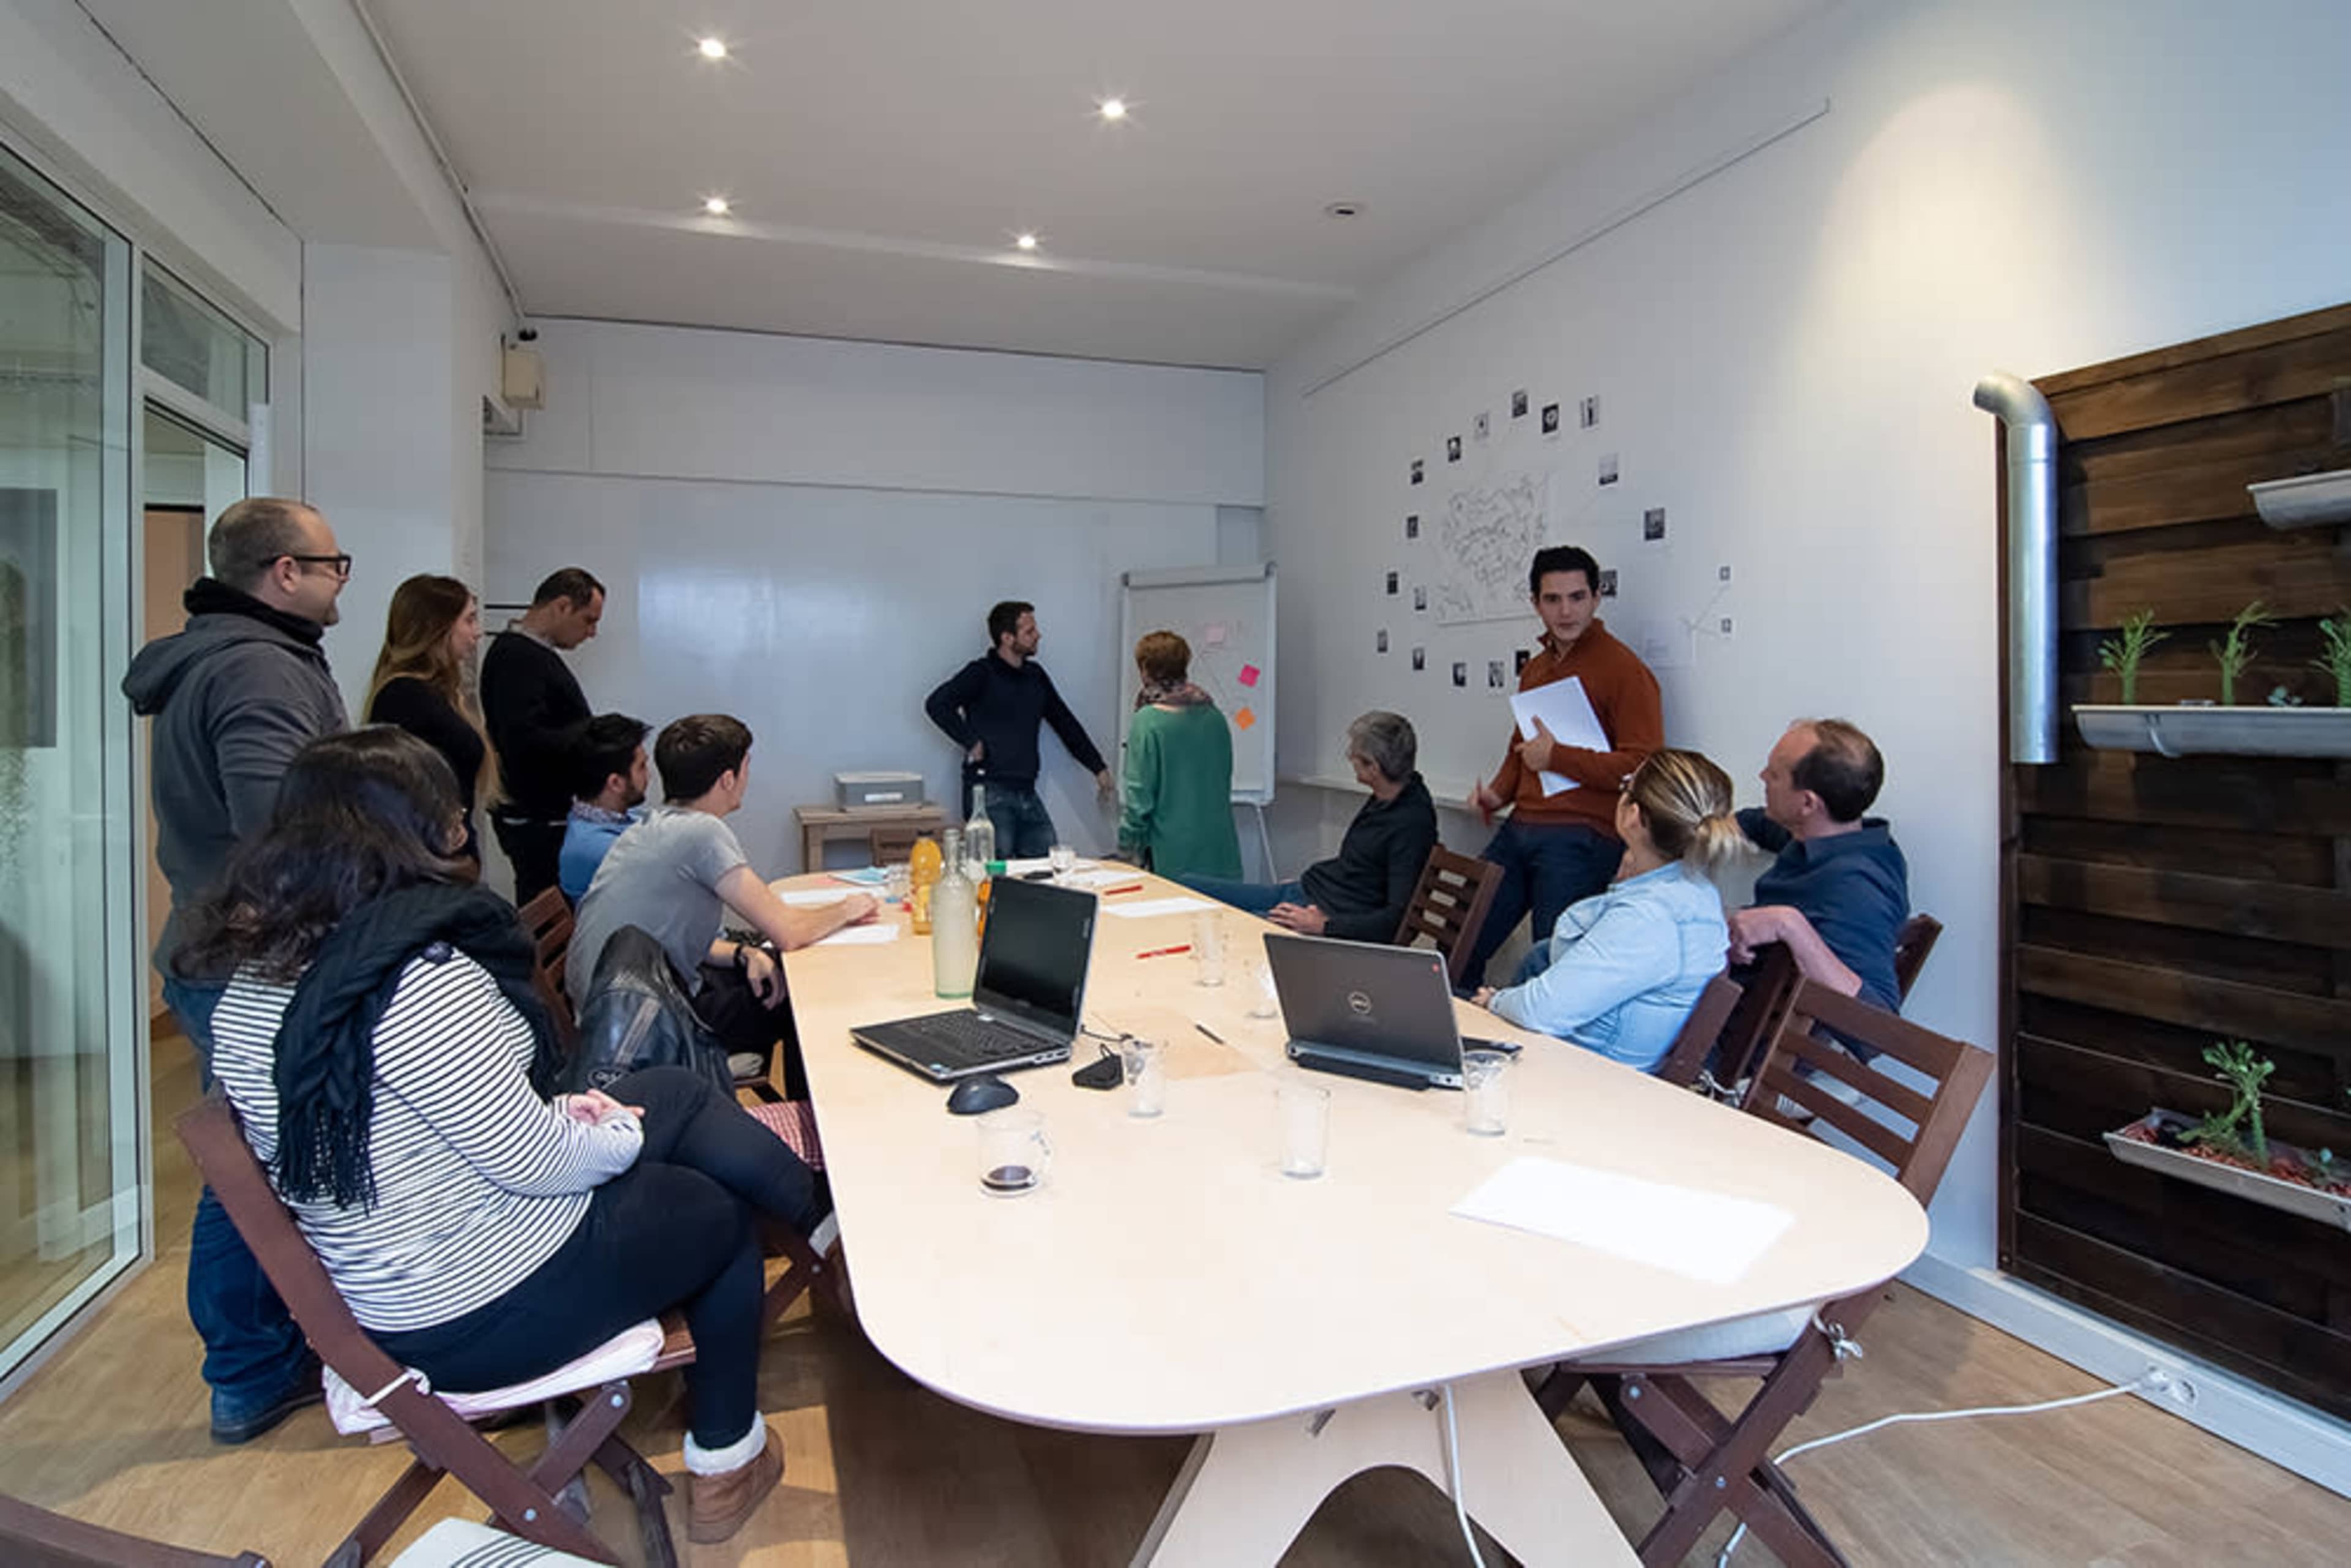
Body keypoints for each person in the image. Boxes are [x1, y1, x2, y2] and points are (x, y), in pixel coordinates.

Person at [182, 729, 816, 1542]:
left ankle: (807, 1224)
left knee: (669, 1094)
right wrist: (612, 1131)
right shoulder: (415, 982)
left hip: (392, 1301)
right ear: (418, 834)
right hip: (487, 1302)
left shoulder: (251, 990)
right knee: (710, 1206)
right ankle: (729, 1455)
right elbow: (539, 1162)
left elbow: (431, 1135)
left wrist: (591, 1117)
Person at [121, 495, 349, 1445]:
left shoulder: (222, 656)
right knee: (249, 1164)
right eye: (334, 561)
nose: (342, 577)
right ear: (284, 573)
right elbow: (283, 828)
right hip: (258, 958)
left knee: (252, 1156)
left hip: (223, 947)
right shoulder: (258, 668)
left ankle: (266, 1351)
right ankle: (251, 1371)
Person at [568, 715, 879, 1090]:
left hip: (615, 1011)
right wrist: (850, 908)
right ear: (728, 779)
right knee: (799, 999)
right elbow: (789, 932)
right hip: (647, 1029)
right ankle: (809, 1117)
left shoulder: (651, 825)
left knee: (776, 971)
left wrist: (742, 955)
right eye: (747, 766)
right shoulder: (701, 833)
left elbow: (670, 934)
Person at [1463, 545, 1663, 988]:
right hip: (1522, 825)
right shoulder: (1536, 668)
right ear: (1536, 603)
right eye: (1553, 599)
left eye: (1576, 597)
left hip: (1582, 836)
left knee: (1551, 963)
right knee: (1460, 937)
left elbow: (1644, 766)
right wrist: (1498, 792)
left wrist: (1558, 758)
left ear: (1596, 598)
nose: (1566, 610)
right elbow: (1523, 745)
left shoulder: (1625, 670)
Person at [1473, 749, 1738, 1073]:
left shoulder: (1649, 916)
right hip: (1596, 1071)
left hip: (1583, 1080)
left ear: (1633, 816)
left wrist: (1495, 1001)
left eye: (1626, 785)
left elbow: (1540, 1011)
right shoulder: (1695, 891)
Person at [1180, 711, 1436, 941]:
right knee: (1185, 887)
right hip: (1306, 893)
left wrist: (1325, 926)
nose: (1349, 758)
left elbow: (1395, 920)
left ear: (1373, 767)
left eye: (1354, 754)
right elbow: (1360, 869)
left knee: (1216, 926)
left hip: (1318, 915)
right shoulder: (1387, 797)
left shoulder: (1411, 823)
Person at [1730, 719, 1910, 1010]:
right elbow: (1764, 824)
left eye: (1774, 775)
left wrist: (1788, 925)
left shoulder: (1855, 887)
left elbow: (1877, 1022)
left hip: (1739, 1036)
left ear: (1808, 804)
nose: (1762, 776)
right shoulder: (1845, 837)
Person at [923, 599, 1114, 858]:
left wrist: (1098, 768)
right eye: (1030, 631)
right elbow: (937, 704)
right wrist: (971, 742)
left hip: (1026, 790)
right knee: (995, 875)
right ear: (1007, 638)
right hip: (988, 790)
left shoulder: (1035, 676)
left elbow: (1065, 722)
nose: (1038, 636)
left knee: (1046, 868)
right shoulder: (981, 673)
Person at [481, 567, 604, 903]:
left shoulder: (530, 655)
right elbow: (524, 740)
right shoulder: (517, 658)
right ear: (562, 606)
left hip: (542, 812)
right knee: (545, 907)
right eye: (588, 620)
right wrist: (593, 734)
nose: (592, 633)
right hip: (535, 815)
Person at [366, 574, 489, 865]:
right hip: (431, 858)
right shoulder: (405, 696)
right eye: (469, 620)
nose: (478, 632)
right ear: (438, 629)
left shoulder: (436, 693)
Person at [1117, 631, 1242, 880]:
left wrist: (1127, 847)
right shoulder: (1215, 716)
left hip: (1172, 855)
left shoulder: (1148, 721)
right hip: (1220, 849)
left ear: (1146, 669)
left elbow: (1139, 797)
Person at [558, 712, 651, 904]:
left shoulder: (624, 816)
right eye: (642, 767)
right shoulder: (598, 849)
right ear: (616, 783)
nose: (649, 775)